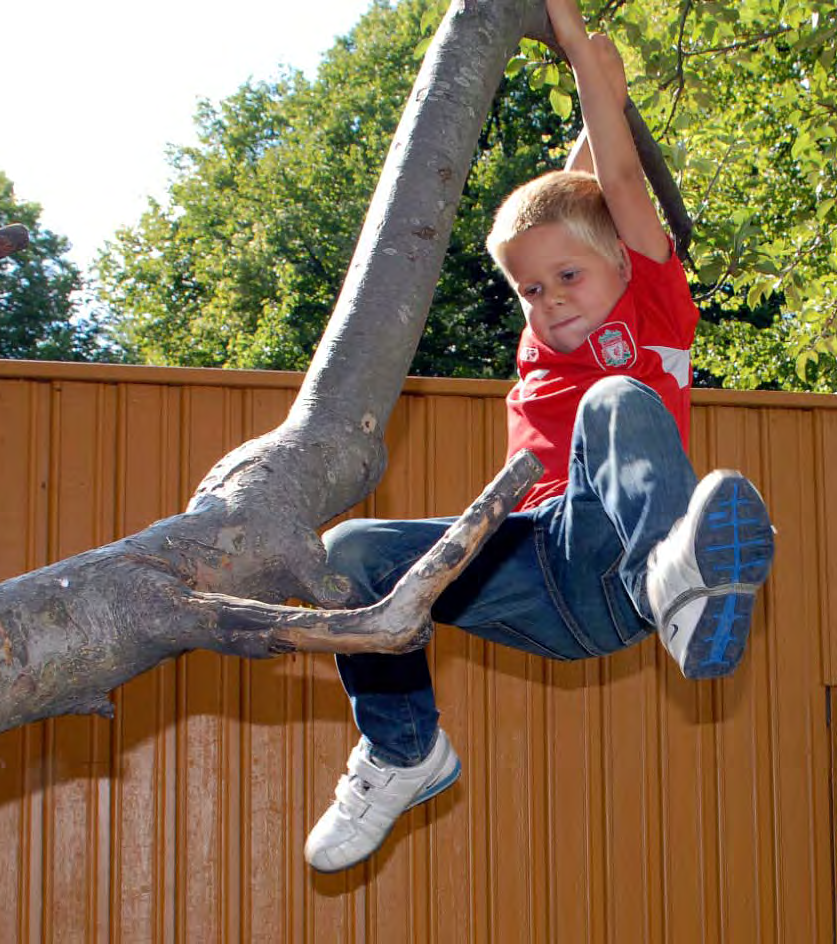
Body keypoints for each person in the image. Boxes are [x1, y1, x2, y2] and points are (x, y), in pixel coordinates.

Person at [304, 0, 776, 874]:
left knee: (614, 402)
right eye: (529, 290)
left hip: (616, 558)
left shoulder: (654, 309)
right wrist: (585, 116)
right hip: (532, 569)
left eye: (567, 276)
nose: (549, 299)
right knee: (351, 550)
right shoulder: (542, 336)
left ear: (626, 263)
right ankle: (404, 749)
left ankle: (674, 580)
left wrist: (576, 44)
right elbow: (576, 196)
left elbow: (618, 187)